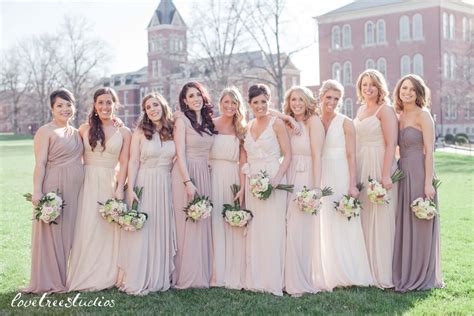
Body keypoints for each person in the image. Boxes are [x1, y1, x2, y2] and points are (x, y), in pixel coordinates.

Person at [67, 87, 131, 292]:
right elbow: (74, 158)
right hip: (87, 182)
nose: (105, 106)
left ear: (115, 104)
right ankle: (84, 272)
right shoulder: (84, 129)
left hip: (109, 182)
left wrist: (120, 188)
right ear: (94, 105)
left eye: (109, 102)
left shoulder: (124, 132)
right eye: (100, 102)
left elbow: (125, 162)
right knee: (87, 227)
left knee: (108, 228)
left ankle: (109, 272)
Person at [22, 89, 84, 293]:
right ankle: (47, 279)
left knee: (69, 233)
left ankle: (66, 277)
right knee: (51, 233)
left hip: (75, 190)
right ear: (52, 108)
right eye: (60, 105)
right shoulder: (45, 131)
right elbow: (40, 163)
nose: (65, 109)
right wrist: (37, 191)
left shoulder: (76, 132)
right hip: (54, 187)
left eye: (68, 105)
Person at [118, 93, 176, 295]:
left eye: (155, 105)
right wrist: (132, 188)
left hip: (165, 184)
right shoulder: (141, 132)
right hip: (145, 181)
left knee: (161, 227)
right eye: (148, 107)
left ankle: (160, 274)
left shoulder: (173, 128)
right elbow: (133, 161)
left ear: (163, 105)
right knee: (145, 229)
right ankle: (140, 275)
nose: (152, 109)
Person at [318, 80, 373, 289]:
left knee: (343, 219)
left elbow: (351, 155)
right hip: (321, 173)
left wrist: (352, 185)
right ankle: (326, 269)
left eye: (336, 98)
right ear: (321, 96)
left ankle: (350, 270)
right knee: (324, 220)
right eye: (328, 97)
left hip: (340, 172)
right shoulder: (313, 120)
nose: (332, 102)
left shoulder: (345, 122)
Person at [392, 74, 444, 292]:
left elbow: (429, 151)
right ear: (399, 91)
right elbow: (396, 147)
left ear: (419, 92)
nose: (407, 92)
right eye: (404, 88)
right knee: (404, 223)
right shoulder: (399, 115)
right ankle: (406, 270)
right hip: (403, 172)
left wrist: (428, 183)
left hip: (420, 171)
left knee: (420, 221)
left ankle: (422, 274)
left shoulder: (424, 115)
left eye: (412, 89)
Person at [243, 84, 291, 296]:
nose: (260, 106)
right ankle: (256, 277)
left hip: (273, 176)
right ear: (250, 104)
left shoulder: (277, 123)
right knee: (257, 227)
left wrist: (276, 179)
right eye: (256, 102)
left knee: (273, 227)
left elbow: (288, 155)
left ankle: (273, 278)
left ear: (269, 101)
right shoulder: (248, 125)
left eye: (264, 101)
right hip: (253, 179)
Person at [278, 86, 327, 296]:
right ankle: (288, 277)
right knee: (288, 226)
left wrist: (316, 188)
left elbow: (317, 155)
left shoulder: (313, 121)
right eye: (292, 100)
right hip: (290, 176)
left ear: (307, 101)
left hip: (306, 176)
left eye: (300, 100)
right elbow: (270, 115)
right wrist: (286, 118)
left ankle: (301, 278)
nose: (296, 104)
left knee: (302, 227)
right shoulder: (288, 123)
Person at [353, 69, 398, 289]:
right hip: (362, 162)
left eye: (372, 84)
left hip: (379, 162)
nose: (368, 88)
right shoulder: (361, 109)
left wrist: (385, 173)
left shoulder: (385, 110)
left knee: (380, 216)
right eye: (364, 85)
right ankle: (365, 267)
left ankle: (382, 270)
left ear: (379, 86)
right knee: (364, 213)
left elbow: (391, 143)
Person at [171, 82, 217, 289]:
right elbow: (180, 153)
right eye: (191, 96)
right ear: (184, 101)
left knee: (201, 221)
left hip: (204, 174)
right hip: (185, 173)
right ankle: (185, 274)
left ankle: (201, 273)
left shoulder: (207, 121)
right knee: (186, 223)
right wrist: (187, 182)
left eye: (198, 94)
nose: (196, 99)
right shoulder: (181, 120)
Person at [209, 87, 247, 289]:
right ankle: (215, 270)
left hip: (232, 176)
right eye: (226, 102)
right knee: (214, 222)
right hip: (212, 176)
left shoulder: (241, 129)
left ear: (238, 105)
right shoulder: (210, 125)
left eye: (234, 103)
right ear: (220, 104)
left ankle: (233, 270)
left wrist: (242, 187)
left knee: (231, 222)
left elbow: (243, 161)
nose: (230, 106)